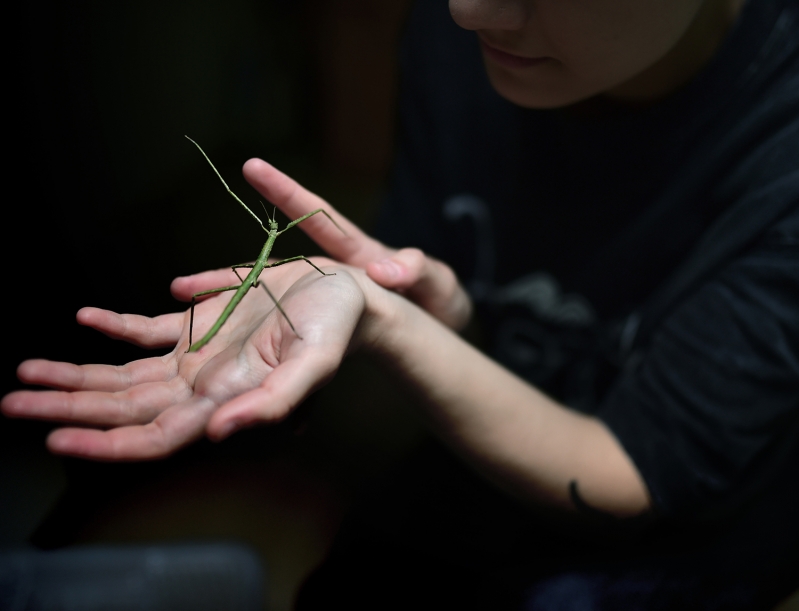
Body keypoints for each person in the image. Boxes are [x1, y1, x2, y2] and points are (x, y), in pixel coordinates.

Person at [3, 0, 797, 608]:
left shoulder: (775, 141)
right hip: (485, 455)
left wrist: (393, 328)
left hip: (684, 526)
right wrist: (442, 320)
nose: (466, 9)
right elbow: (494, 339)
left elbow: (630, 473)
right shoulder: (463, 47)